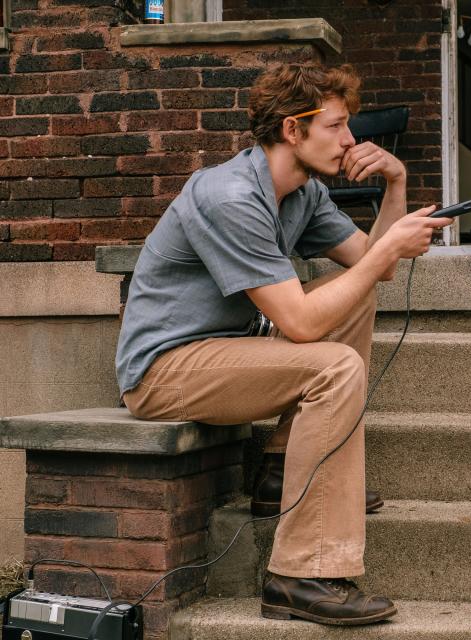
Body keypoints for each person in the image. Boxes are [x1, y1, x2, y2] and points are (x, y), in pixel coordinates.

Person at [114, 63, 451, 626]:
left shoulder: (304, 194)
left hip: (230, 352)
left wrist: (396, 183)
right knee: (336, 367)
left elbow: (373, 268)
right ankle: (301, 574)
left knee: (355, 295)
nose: (351, 141)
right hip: (163, 370)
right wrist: (387, 252)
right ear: (293, 131)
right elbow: (297, 321)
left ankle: (277, 475)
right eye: (338, 127)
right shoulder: (229, 195)